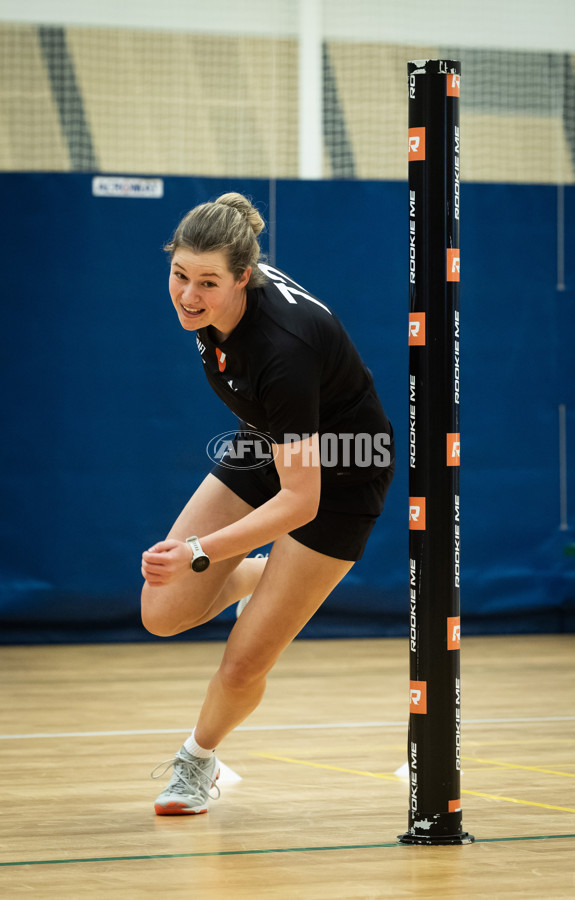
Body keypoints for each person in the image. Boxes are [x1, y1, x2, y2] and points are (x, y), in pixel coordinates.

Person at [141, 192, 394, 815]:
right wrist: (213, 559)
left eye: (207, 283)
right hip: (274, 441)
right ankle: (265, 576)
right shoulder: (215, 309)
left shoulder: (283, 352)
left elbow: (300, 502)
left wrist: (202, 551)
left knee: (243, 661)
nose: (188, 296)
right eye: (179, 274)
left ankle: (198, 763)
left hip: (344, 472)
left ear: (243, 278)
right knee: (162, 612)